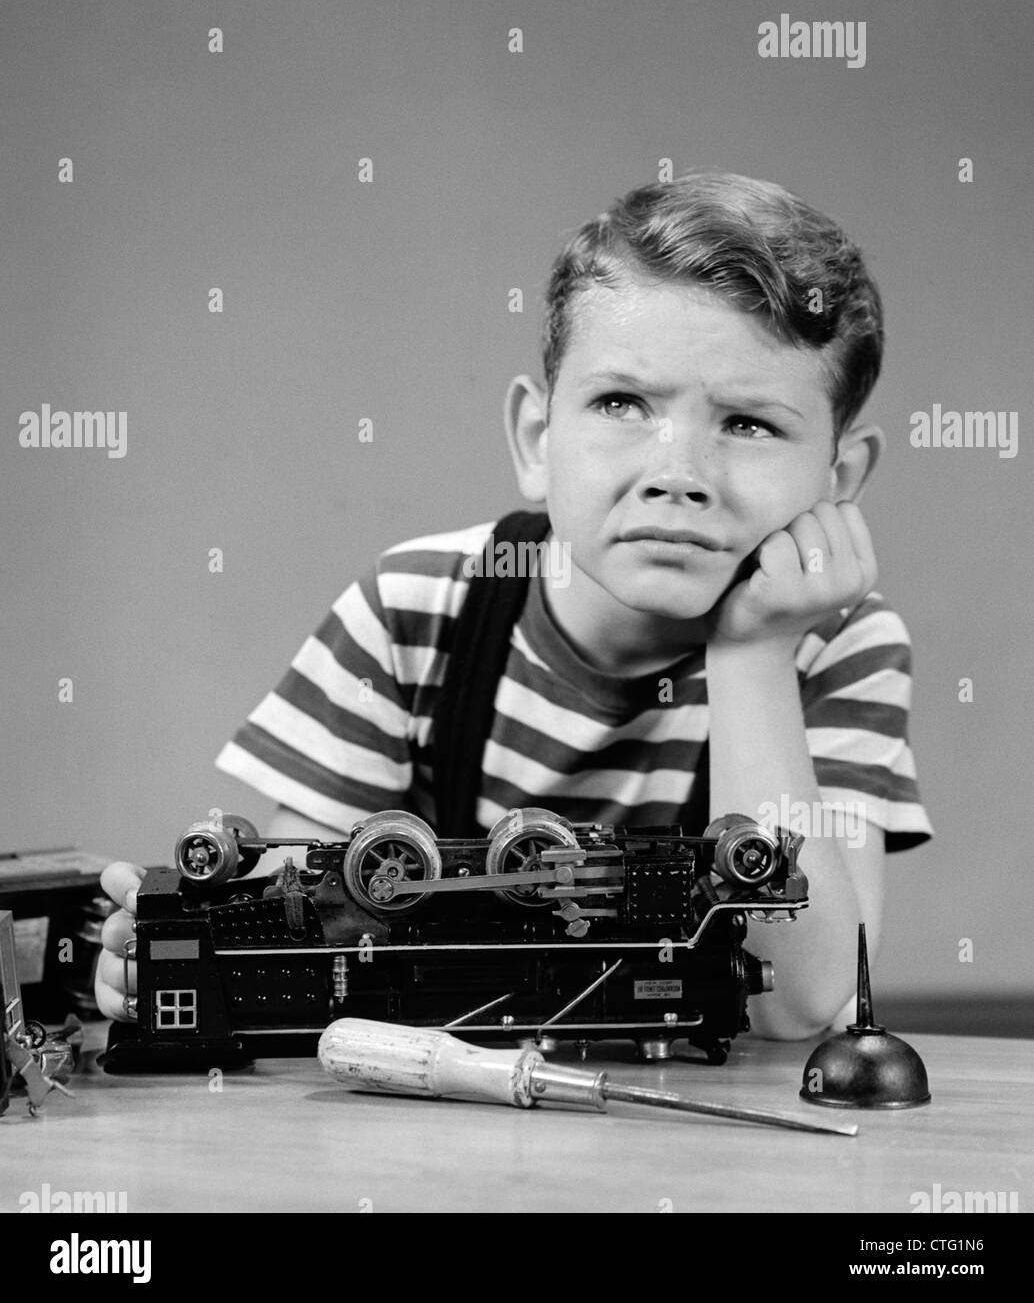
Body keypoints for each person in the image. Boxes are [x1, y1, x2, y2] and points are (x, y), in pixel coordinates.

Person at [95, 170, 932, 1040]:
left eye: (749, 424)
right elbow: (302, 939)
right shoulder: (413, 610)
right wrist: (171, 963)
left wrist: (754, 656)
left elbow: (796, 1005)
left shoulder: (841, 646)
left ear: (840, 480)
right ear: (537, 439)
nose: (678, 474)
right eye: (622, 402)